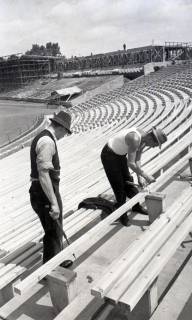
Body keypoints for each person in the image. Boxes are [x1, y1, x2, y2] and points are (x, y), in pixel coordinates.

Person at [29, 111, 73, 268]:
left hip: (44, 191)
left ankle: (55, 261)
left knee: (53, 228)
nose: (64, 136)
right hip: (44, 192)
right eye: (66, 132)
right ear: (60, 127)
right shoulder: (47, 142)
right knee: (53, 231)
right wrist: (54, 203)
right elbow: (43, 174)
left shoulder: (45, 137)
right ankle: (50, 269)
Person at [101, 127, 167, 226]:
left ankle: (136, 206)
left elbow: (137, 160)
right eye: (155, 145)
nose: (153, 147)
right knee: (119, 187)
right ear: (151, 138)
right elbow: (131, 163)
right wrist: (146, 176)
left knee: (129, 181)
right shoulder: (135, 139)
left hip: (120, 155)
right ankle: (122, 216)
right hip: (109, 155)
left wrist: (140, 178)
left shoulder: (144, 140)